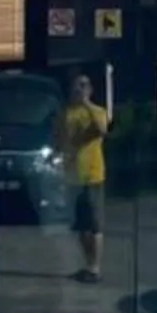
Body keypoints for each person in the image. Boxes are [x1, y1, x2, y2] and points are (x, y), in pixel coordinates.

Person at [59, 70, 110, 285]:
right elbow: (60, 139)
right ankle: (88, 264)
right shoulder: (66, 113)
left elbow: (102, 130)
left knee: (95, 223)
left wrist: (86, 104)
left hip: (93, 175)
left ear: (90, 89)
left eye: (84, 85)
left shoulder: (98, 111)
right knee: (81, 226)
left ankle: (96, 267)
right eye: (77, 85)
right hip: (72, 176)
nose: (79, 89)